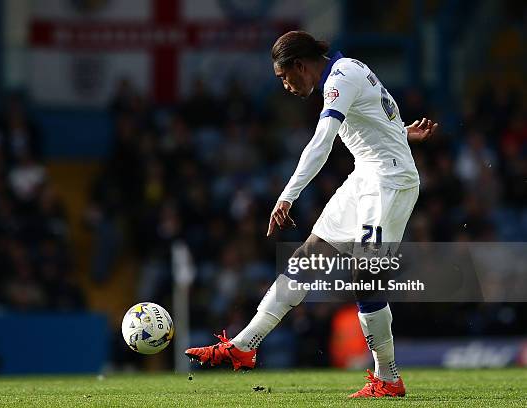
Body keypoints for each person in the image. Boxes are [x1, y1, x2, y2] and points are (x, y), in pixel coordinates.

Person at [185, 31, 438, 398]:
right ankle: (244, 344)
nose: (285, 85)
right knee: (308, 256)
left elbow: (321, 143)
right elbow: (379, 112)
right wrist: (401, 134)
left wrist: (287, 196)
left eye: (284, 77)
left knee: (365, 275)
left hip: (388, 182)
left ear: (300, 66)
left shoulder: (339, 79)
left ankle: (388, 377)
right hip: (366, 174)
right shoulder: (349, 70)